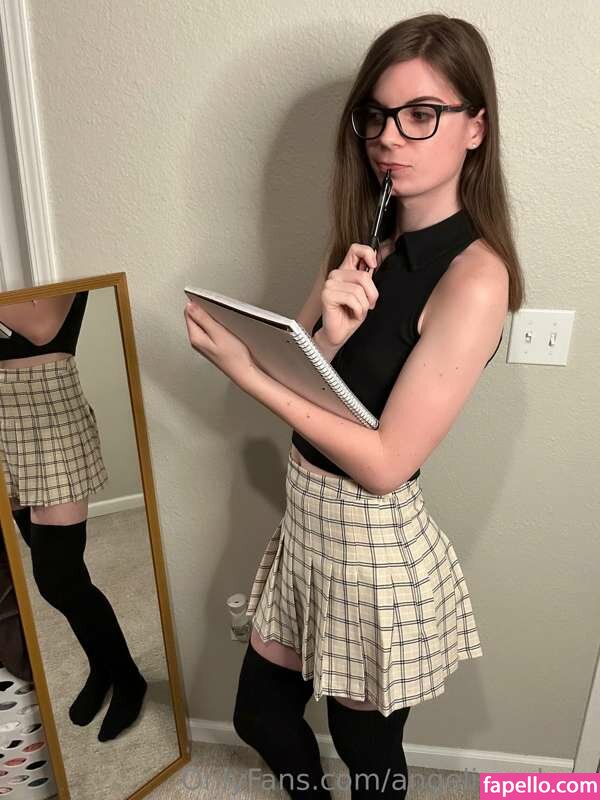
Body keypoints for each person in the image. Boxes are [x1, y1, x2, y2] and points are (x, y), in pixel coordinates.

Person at [184, 12, 524, 799]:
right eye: (376, 116)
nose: (389, 138)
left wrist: (244, 370)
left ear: (475, 128)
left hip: (371, 546)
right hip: (307, 524)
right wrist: (327, 337)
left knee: (366, 753)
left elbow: (384, 463)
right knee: (260, 716)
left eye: (421, 114)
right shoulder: (362, 244)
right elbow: (303, 377)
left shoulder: (476, 278)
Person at [0, 292, 147, 742]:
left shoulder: (45, 256)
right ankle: (101, 665)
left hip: (48, 414)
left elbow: (41, 325)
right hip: (5, 421)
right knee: (65, 577)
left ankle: (128, 678)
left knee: (57, 579)